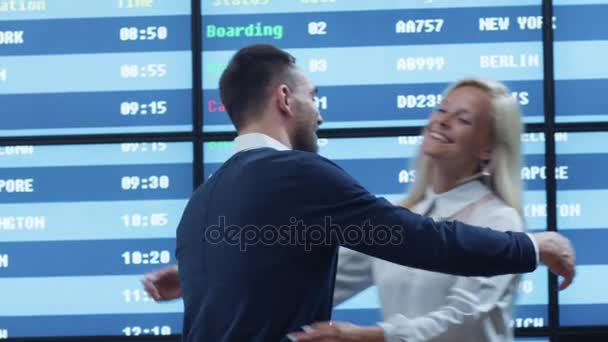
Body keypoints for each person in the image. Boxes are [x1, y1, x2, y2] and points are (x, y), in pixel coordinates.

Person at [154, 44, 575, 342]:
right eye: (313, 97)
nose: (318, 113)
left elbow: (281, 272)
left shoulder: (201, 202)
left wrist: (211, 274)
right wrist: (531, 247)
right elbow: (421, 240)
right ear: (284, 99)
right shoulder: (299, 174)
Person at [289, 78, 533, 342]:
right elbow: (321, 284)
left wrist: (373, 336)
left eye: (463, 120)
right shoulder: (398, 215)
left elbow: (465, 318)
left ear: (487, 148)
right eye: (441, 110)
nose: (442, 121)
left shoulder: (498, 220)